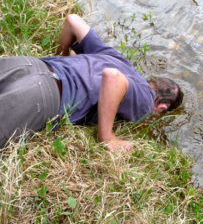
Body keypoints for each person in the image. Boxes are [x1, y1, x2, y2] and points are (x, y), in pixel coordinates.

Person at [0, 14, 183, 151]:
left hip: (28, 65)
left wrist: (63, 56)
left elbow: (73, 21)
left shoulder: (118, 59)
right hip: (39, 96)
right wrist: (107, 137)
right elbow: (113, 78)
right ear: (162, 107)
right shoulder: (146, 99)